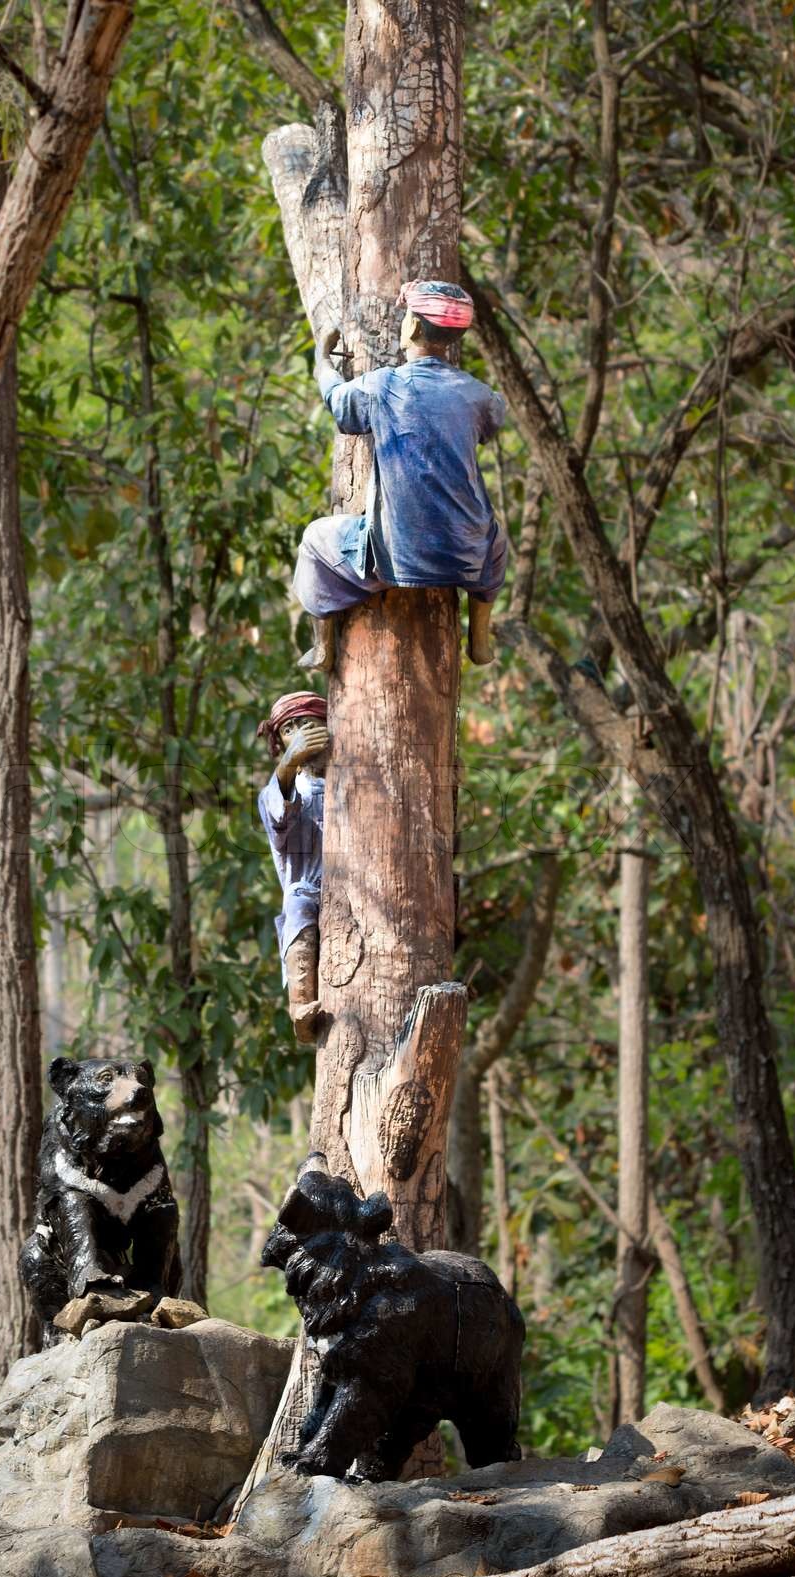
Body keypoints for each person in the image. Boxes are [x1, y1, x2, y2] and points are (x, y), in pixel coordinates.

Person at [293, 280, 507, 672]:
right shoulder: (476, 395)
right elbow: (495, 416)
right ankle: (480, 634)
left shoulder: (383, 386)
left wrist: (322, 364)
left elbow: (337, 402)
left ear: (410, 328)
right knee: (496, 540)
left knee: (314, 541)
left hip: (395, 559)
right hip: (465, 559)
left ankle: (322, 646)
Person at [257, 691, 328, 1044]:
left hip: (363, 884)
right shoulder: (284, 789)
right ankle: (300, 1004)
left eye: (307, 722)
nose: (300, 731)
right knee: (297, 904)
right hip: (311, 887)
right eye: (289, 728)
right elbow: (278, 817)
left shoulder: (352, 778)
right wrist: (287, 764)